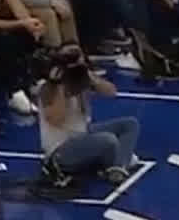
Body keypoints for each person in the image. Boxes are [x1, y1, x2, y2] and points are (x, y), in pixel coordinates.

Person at [38, 44, 139, 189]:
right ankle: (119, 159)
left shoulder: (82, 79)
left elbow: (111, 92)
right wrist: (61, 86)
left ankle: (118, 168)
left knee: (130, 124)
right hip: (60, 148)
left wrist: (91, 78)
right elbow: (56, 119)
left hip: (83, 134)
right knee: (108, 139)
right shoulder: (48, 88)